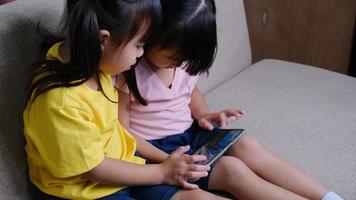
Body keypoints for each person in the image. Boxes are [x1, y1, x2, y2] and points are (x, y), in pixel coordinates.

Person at [117, 0, 344, 199]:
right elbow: (122, 132)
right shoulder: (129, 68)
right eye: (173, 57)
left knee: (248, 145)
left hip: (191, 134)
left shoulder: (185, 61)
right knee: (233, 170)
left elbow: (189, 93)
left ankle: (328, 197)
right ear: (154, 34)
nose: (180, 62)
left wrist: (203, 114)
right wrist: (166, 159)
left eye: (186, 57)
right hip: (152, 150)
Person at [23, 0, 212, 199]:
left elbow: (117, 129)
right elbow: (94, 168)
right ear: (103, 39)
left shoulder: (96, 62)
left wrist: (165, 164)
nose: (141, 54)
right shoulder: (61, 102)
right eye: (139, 45)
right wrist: (162, 172)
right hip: (79, 191)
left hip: (118, 167)